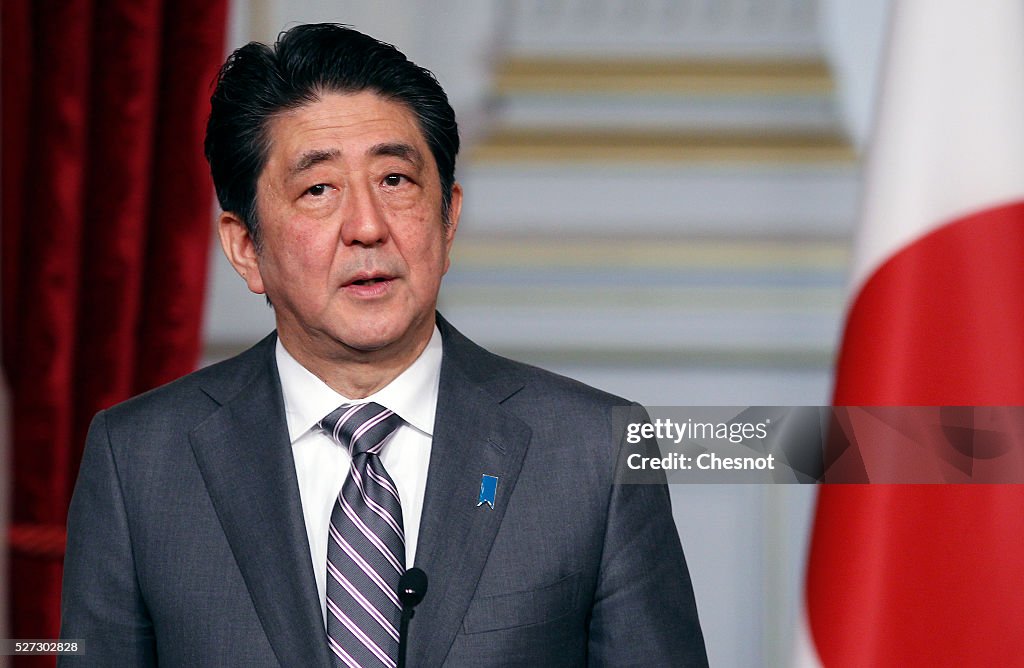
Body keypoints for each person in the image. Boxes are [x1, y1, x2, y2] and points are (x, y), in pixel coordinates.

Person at [60, 24, 707, 667]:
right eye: (318, 190)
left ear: (449, 219)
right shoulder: (139, 462)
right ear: (245, 247)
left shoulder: (590, 451)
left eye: (395, 180)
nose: (367, 227)